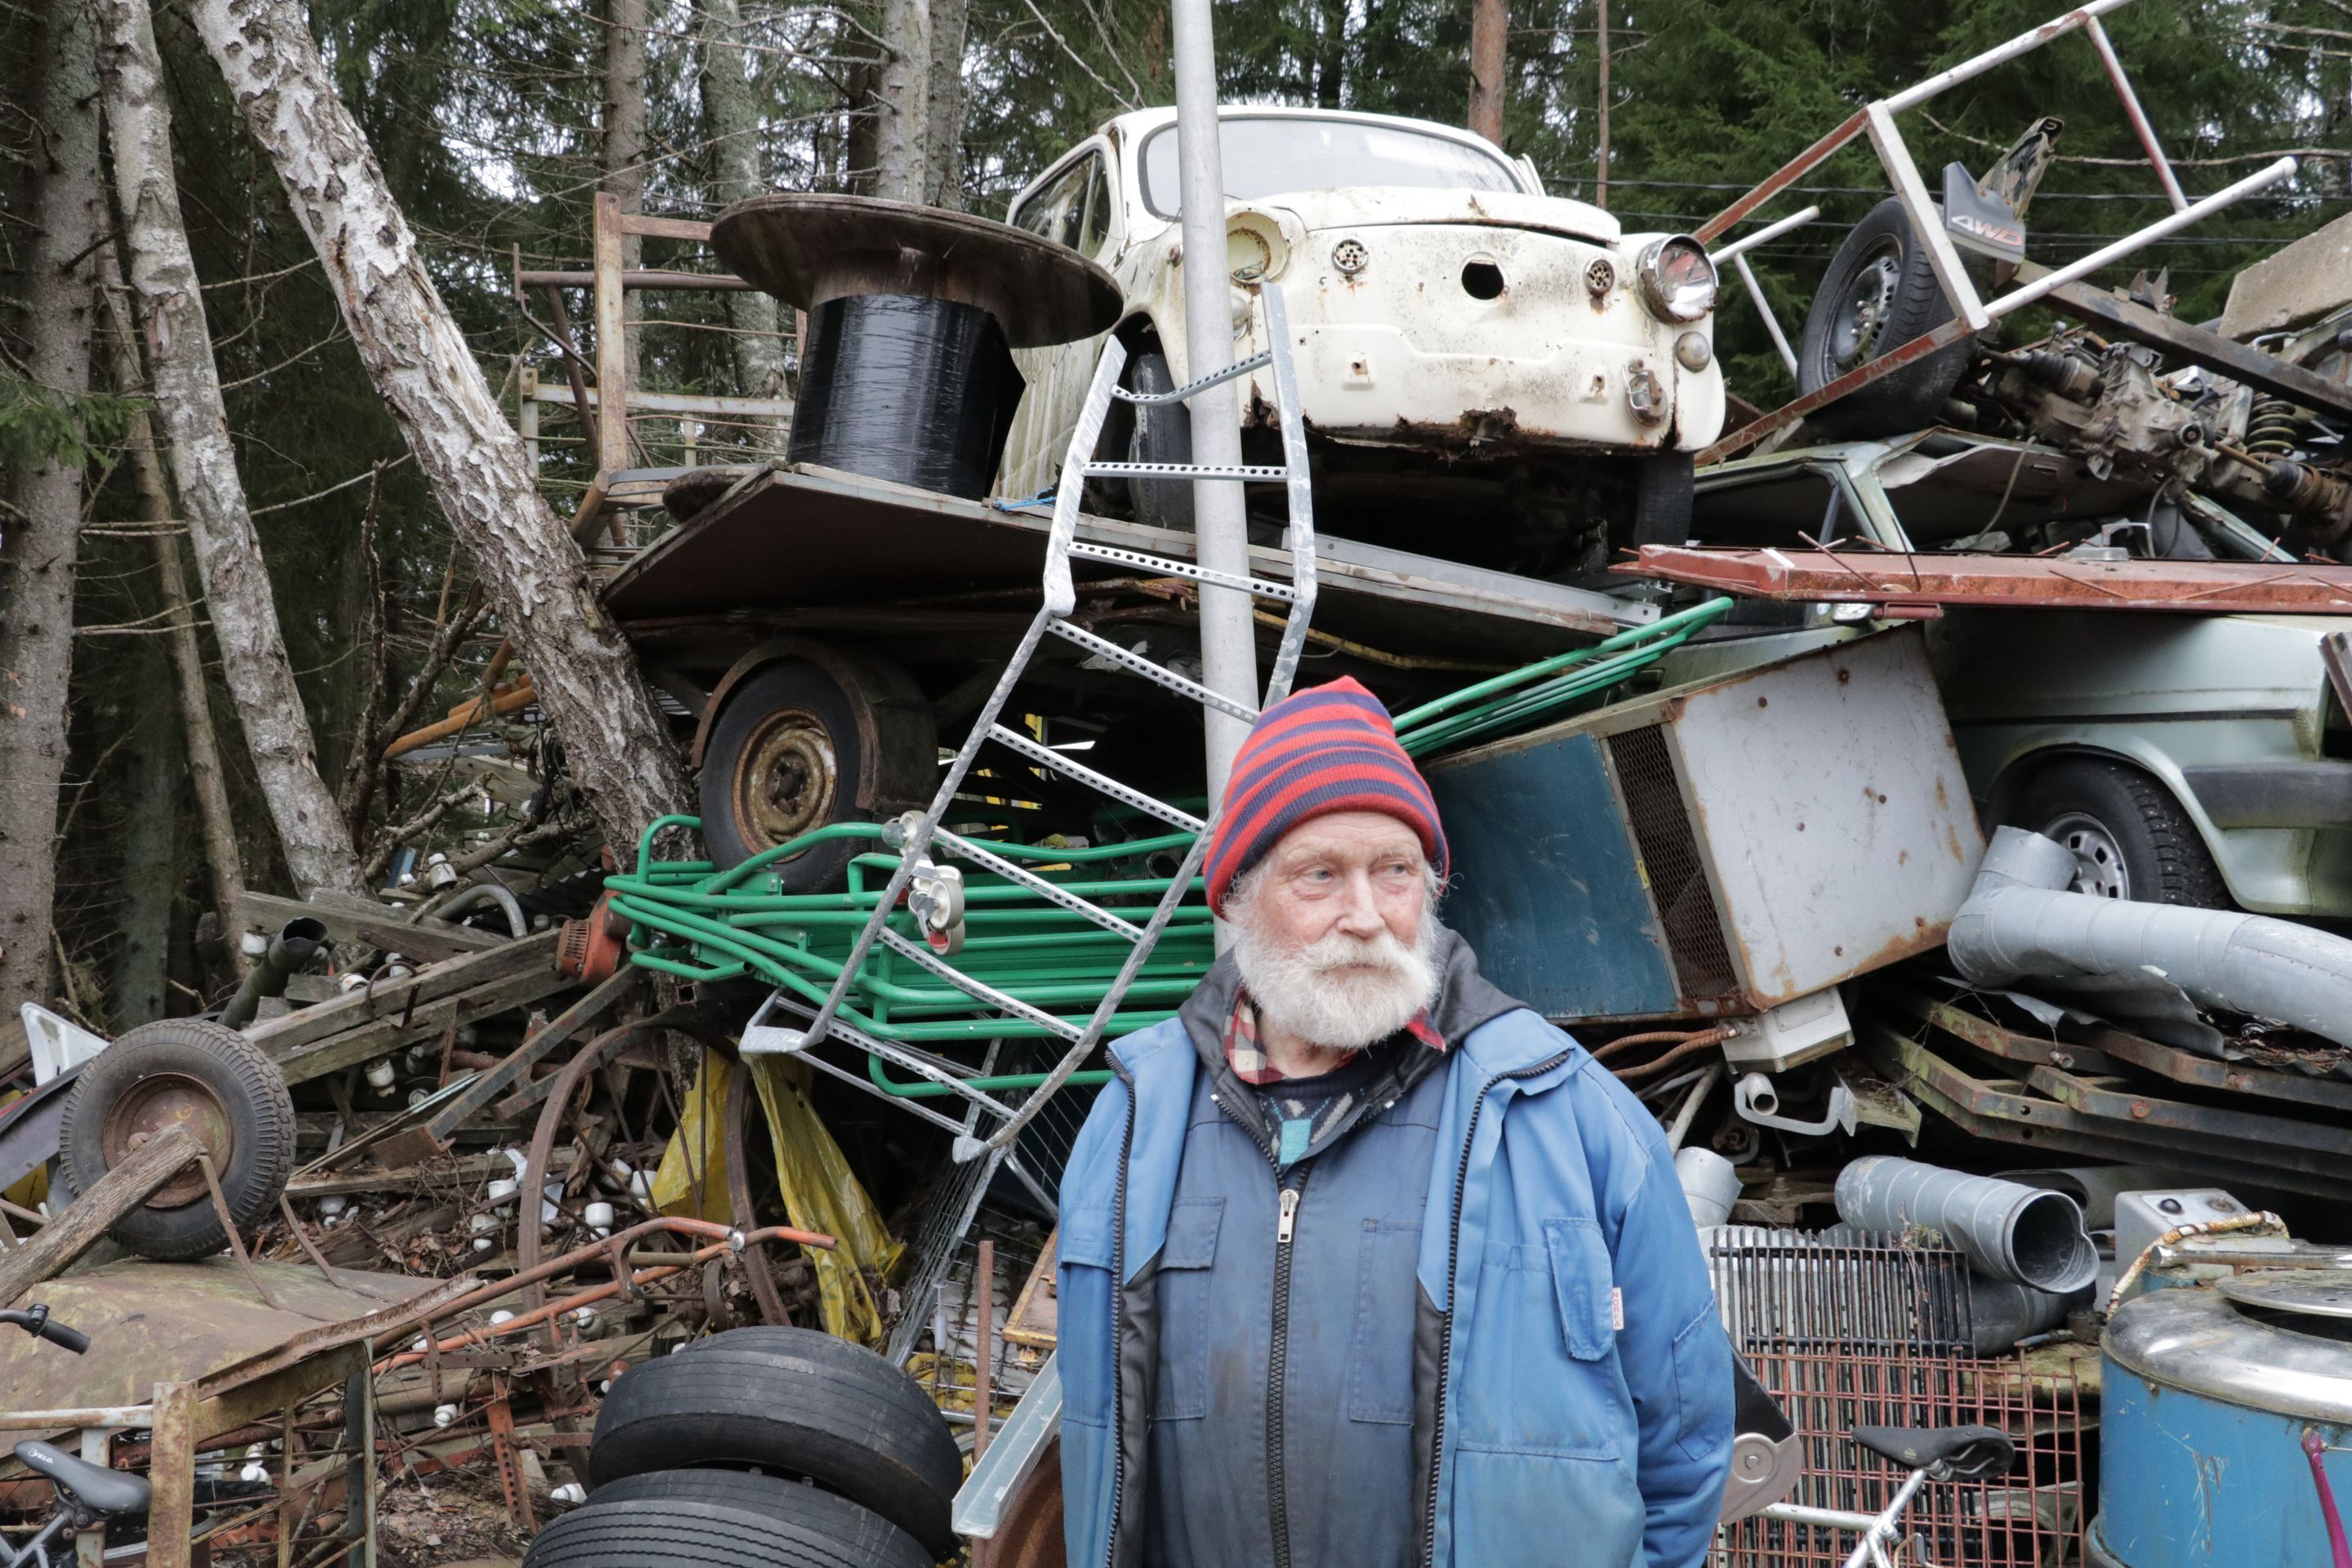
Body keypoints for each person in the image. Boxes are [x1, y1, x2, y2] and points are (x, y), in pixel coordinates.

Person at [1057, 677, 1734, 1568]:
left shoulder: (1560, 1112)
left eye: (1396, 871)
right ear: (1234, 898)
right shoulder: (1135, 1121)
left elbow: (1685, 1438)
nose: (1367, 917)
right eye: (1321, 875)